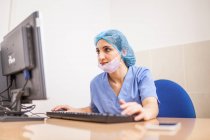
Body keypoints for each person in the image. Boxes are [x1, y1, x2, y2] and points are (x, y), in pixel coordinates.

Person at [52, 29, 159, 121]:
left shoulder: (142, 74)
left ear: (124, 52)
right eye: (98, 51)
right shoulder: (96, 83)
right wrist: (74, 110)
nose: (100, 57)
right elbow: (94, 110)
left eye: (107, 49)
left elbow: (151, 105)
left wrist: (145, 112)